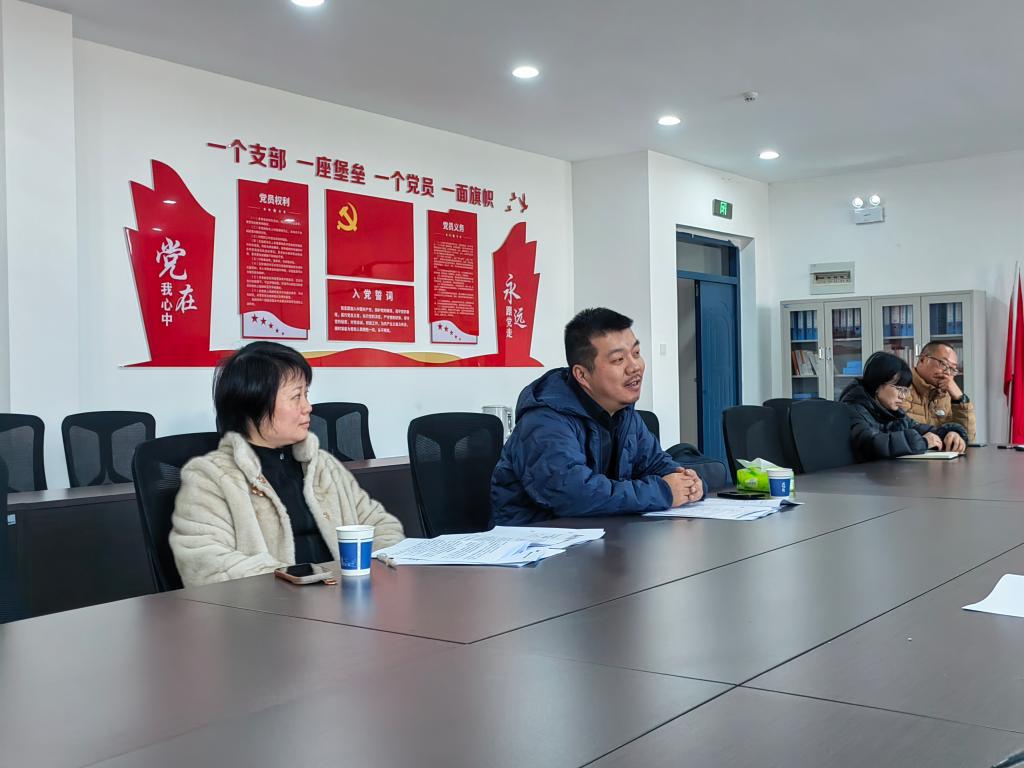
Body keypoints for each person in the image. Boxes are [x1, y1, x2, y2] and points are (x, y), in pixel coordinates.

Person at [170, 341, 403, 587]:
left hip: (345, 597)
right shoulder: (210, 477)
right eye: (295, 397)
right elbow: (205, 564)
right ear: (254, 404)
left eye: (306, 394)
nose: (308, 407)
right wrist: (300, 582)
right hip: (272, 606)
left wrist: (362, 573)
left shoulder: (322, 466)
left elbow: (381, 525)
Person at [491, 307, 703, 526]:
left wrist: (688, 482)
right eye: (618, 359)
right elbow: (574, 495)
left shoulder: (623, 413)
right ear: (582, 375)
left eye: (636, 353)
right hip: (538, 539)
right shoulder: (544, 421)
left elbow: (656, 463)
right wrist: (664, 491)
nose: (634, 367)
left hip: (602, 534)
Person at [839, 351, 967, 461]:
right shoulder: (853, 409)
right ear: (877, 385)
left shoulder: (892, 413)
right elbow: (870, 444)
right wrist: (922, 442)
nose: (903, 396)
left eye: (905, 390)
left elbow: (922, 429)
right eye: (899, 389)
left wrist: (950, 434)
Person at [902, 341, 976, 442]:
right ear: (922, 359)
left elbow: (968, 439)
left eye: (953, 369)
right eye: (943, 364)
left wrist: (960, 399)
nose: (947, 373)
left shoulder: (946, 395)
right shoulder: (900, 388)